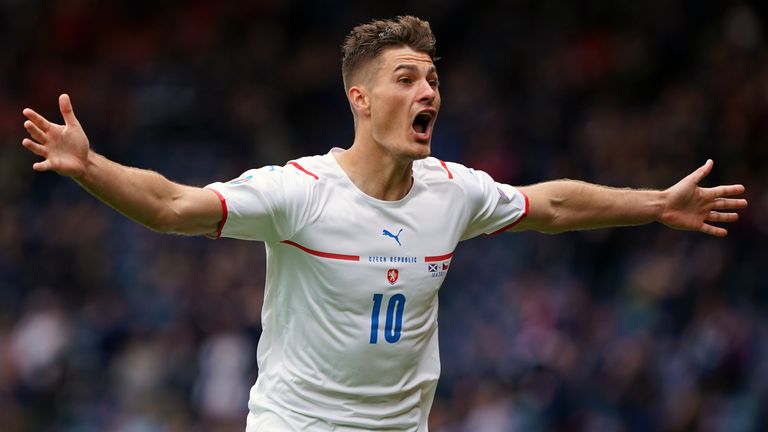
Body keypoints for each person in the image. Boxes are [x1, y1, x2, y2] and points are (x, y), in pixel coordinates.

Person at [21, 15, 746, 432]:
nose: (427, 89)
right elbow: (173, 206)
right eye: (406, 77)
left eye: (432, 77)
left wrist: (655, 203)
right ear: (360, 99)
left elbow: (549, 205)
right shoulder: (299, 192)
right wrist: (92, 168)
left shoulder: (453, 192)